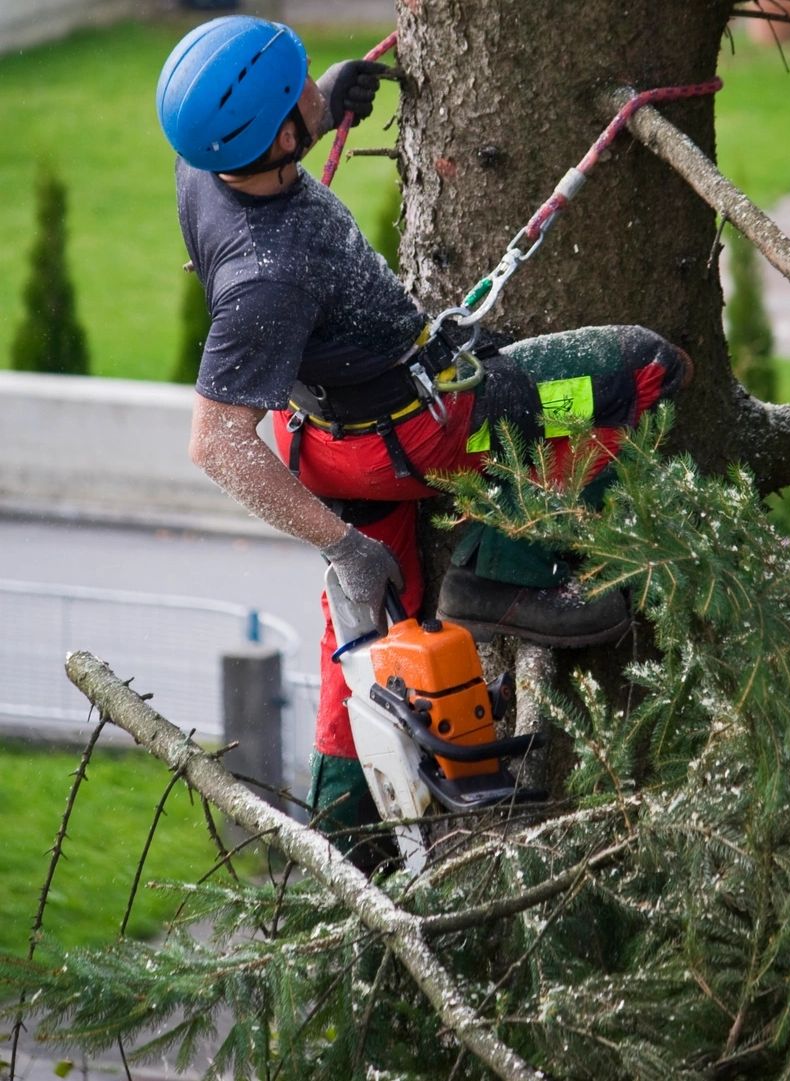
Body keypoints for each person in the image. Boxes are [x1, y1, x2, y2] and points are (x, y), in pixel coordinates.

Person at [156, 15, 693, 850]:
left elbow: (265, 139)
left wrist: (325, 107)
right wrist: (340, 544)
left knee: (363, 646)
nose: (311, 89)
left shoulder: (203, 164)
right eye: (298, 91)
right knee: (636, 372)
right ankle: (508, 572)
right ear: (271, 135)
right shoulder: (270, 274)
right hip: (422, 437)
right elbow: (215, 440)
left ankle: (348, 837)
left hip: (328, 445)